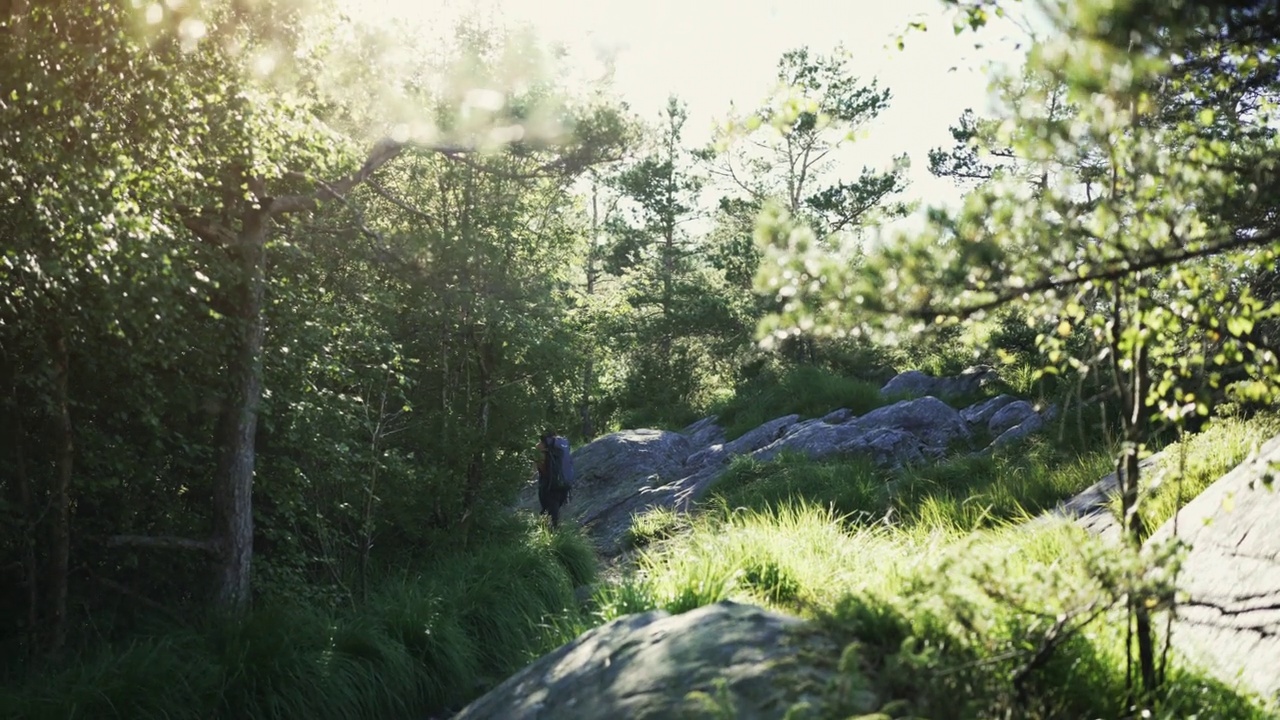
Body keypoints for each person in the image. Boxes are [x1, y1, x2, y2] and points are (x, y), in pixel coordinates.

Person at [535, 428, 573, 528]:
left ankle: (551, 536)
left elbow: (540, 465)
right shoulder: (562, 443)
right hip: (564, 482)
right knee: (554, 512)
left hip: (550, 484)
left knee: (548, 511)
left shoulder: (540, 446)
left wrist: (546, 475)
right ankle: (553, 533)